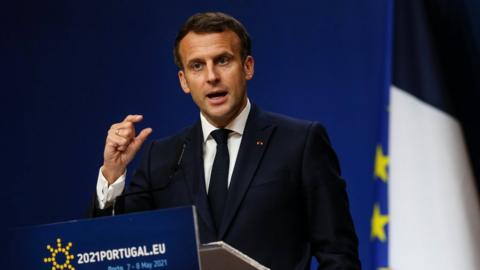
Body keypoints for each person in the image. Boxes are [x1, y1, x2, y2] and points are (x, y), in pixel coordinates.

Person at [93, 12, 361, 270]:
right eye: (197, 66)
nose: (211, 77)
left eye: (223, 60)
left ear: (247, 67)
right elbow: (116, 252)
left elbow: (339, 255)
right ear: (184, 81)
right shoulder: (162, 156)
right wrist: (112, 174)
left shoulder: (300, 143)